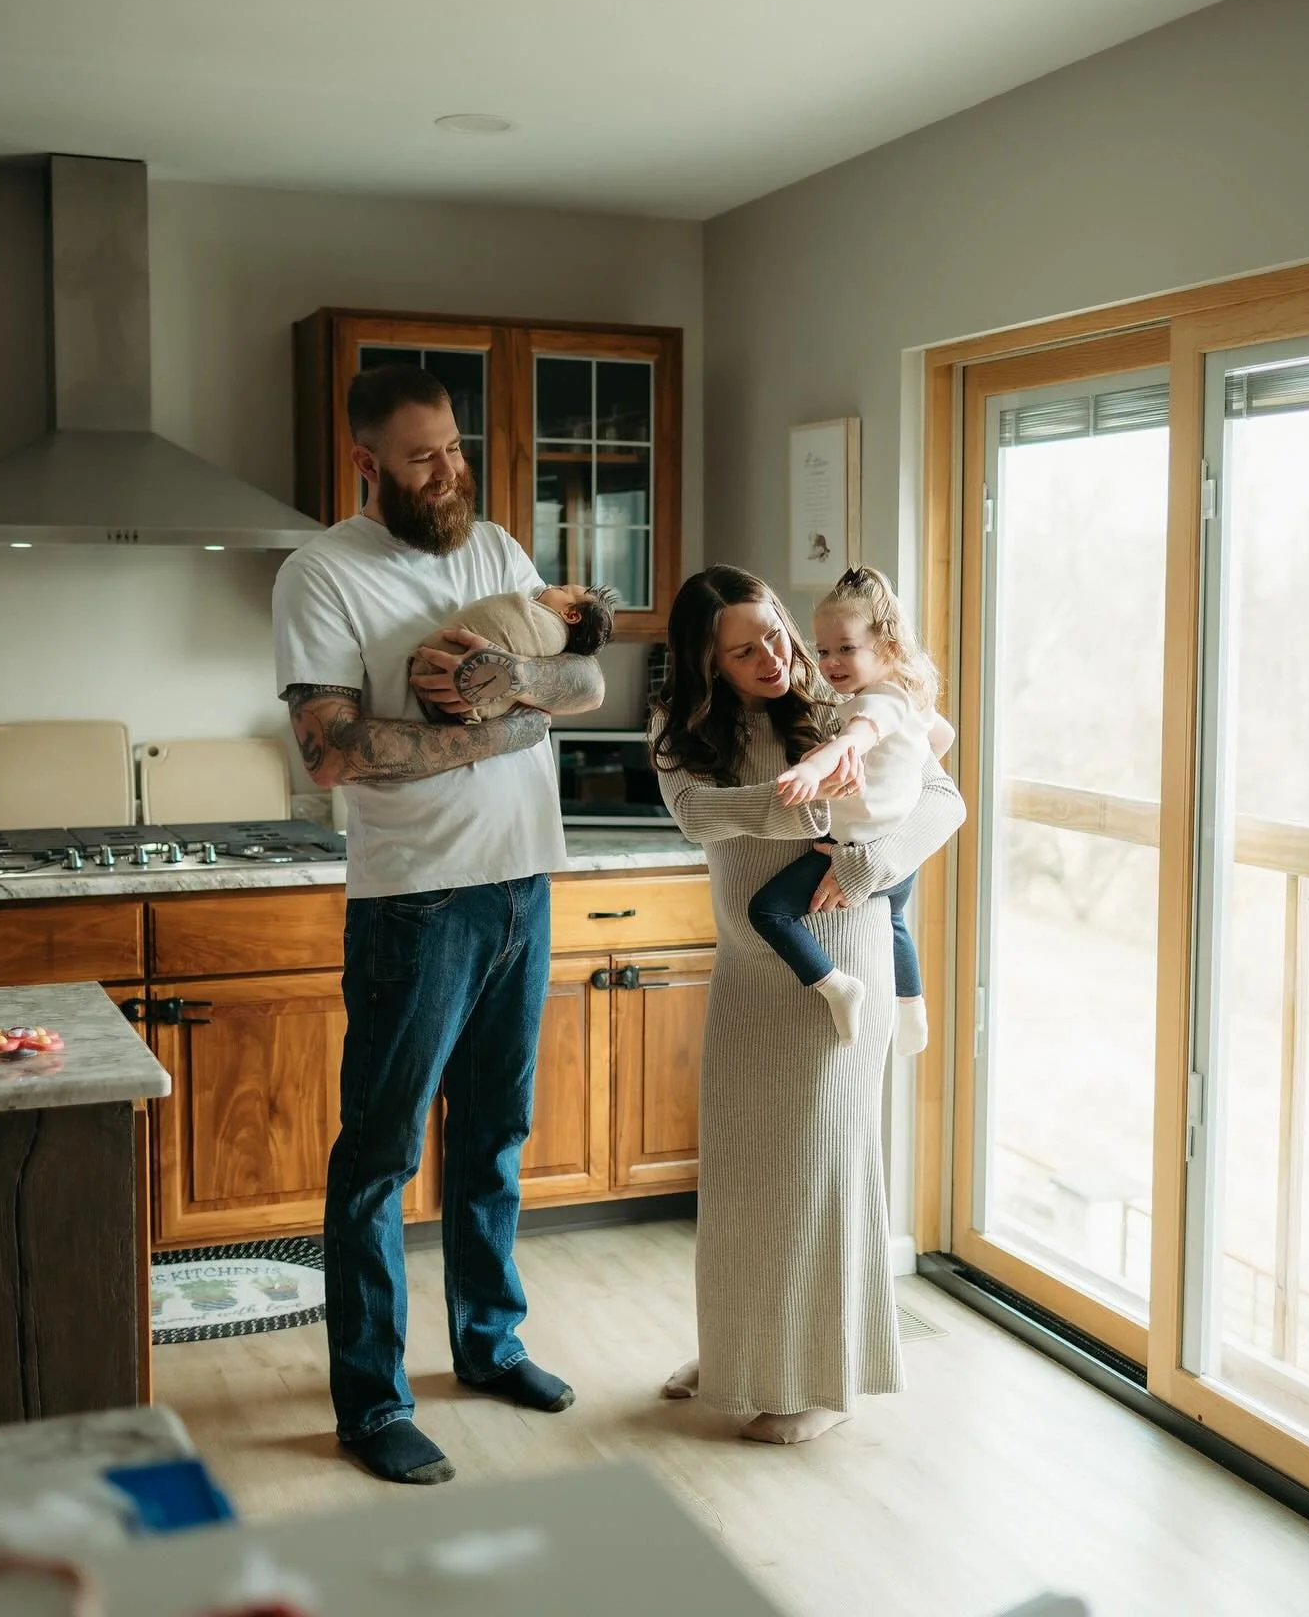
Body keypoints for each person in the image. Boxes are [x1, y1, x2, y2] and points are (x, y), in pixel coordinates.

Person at [272, 362, 605, 1487]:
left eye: (456, 447)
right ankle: (372, 1403)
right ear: (368, 460)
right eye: (424, 456)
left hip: (525, 883)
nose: (449, 470)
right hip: (416, 903)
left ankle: (490, 1343)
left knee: (495, 1137)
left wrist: (514, 686)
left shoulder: (499, 550)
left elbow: (580, 684)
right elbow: (333, 749)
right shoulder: (322, 575)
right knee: (377, 1158)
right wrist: (502, 724)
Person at [650, 565, 965, 1444]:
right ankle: (741, 1354)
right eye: (745, 650)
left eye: (779, 636)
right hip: (753, 972)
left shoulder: (837, 705)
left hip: (843, 965)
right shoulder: (679, 730)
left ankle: (824, 1379)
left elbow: (943, 800)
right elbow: (699, 816)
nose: (778, 658)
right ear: (704, 662)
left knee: (819, 1174)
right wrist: (806, 807)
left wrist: (859, 862)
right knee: (746, 1174)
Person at [747, 566, 955, 1058]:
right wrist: (899, 779)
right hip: (896, 853)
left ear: (886, 648)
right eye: (822, 650)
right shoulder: (907, 695)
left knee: (768, 911)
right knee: (895, 924)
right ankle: (912, 1009)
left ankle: (836, 984)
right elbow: (941, 738)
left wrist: (810, 772)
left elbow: (854, 740)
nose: (830, 662)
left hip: (857, 849)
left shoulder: (877, 704)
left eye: (846, 648)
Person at [409, 581, 615, 721]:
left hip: (432, 673)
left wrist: (508, 673)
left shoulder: (547, 628)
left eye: (561, 589)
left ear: (570, 615)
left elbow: (594, 691)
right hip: (456, 713)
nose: (550, 585)